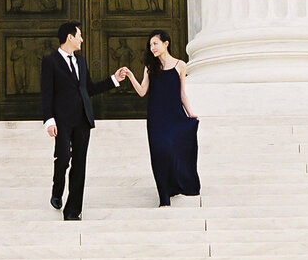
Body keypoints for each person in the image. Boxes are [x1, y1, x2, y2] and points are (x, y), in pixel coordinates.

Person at [40, 21, 122, 220]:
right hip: (61, 120)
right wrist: (49, 120)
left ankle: (73, 211)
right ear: (70, 37)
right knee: (63, 158)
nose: (82, 39)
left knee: (79, 165)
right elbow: (46, 93)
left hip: (83, 119)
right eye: (80, 35)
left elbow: (88, 89)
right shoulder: (50, 62)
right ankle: (57, 189)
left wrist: (114, 79)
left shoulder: (81, 62)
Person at [122, 30, 201, 207]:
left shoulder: (180, 65)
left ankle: (175, 184)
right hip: (156, 117)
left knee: (173, 151)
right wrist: (130, 76)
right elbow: (142, 92)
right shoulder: (150, 67)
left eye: (155, 44)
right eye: (150, 45)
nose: (152, 48)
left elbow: (182, 93)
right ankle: (163, 197)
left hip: (174, 115)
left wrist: (190, 113)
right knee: (159, 153)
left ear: (166, 43)